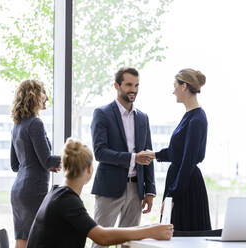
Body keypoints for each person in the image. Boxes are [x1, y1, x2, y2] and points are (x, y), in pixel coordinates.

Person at [26, 138, 173, 248]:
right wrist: (150, 232)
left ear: (64, 166)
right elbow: (102, 237)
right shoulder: (67, 201)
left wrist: (150, 228)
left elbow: (103, 232)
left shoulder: (56, 194)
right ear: (90, 169)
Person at [90, 67, 156, 247]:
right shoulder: (102, 114)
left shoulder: (143, 118)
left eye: (136, 85)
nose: (133, 89)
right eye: (128, 85)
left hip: (136, 190)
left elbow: (148, 155)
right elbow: (100, 152)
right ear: (117, 85)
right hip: (109, 189)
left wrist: (149, 190)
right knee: (100, 242)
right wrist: (134, 158)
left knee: (130, 243)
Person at [149, 68, 211, 231]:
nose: (173, 91)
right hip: (180, 181)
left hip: (186, 186)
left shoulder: (197, 119)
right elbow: (177, 152)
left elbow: (188, 161)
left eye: (175, 85)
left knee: (182, 232)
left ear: (184, 86)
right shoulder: (190, 116)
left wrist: (173, 194)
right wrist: (154, 155)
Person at [10, 79, 61, 248]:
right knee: (36, 240)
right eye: (44, 93)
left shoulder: (17, 126)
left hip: (18, 190)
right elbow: (46, 160)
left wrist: (36, 164)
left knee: (22, 240)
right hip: (33, 189)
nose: (47, 98)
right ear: (35, 96)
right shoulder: (35, 123)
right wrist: (71, 157)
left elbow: (15, 165)